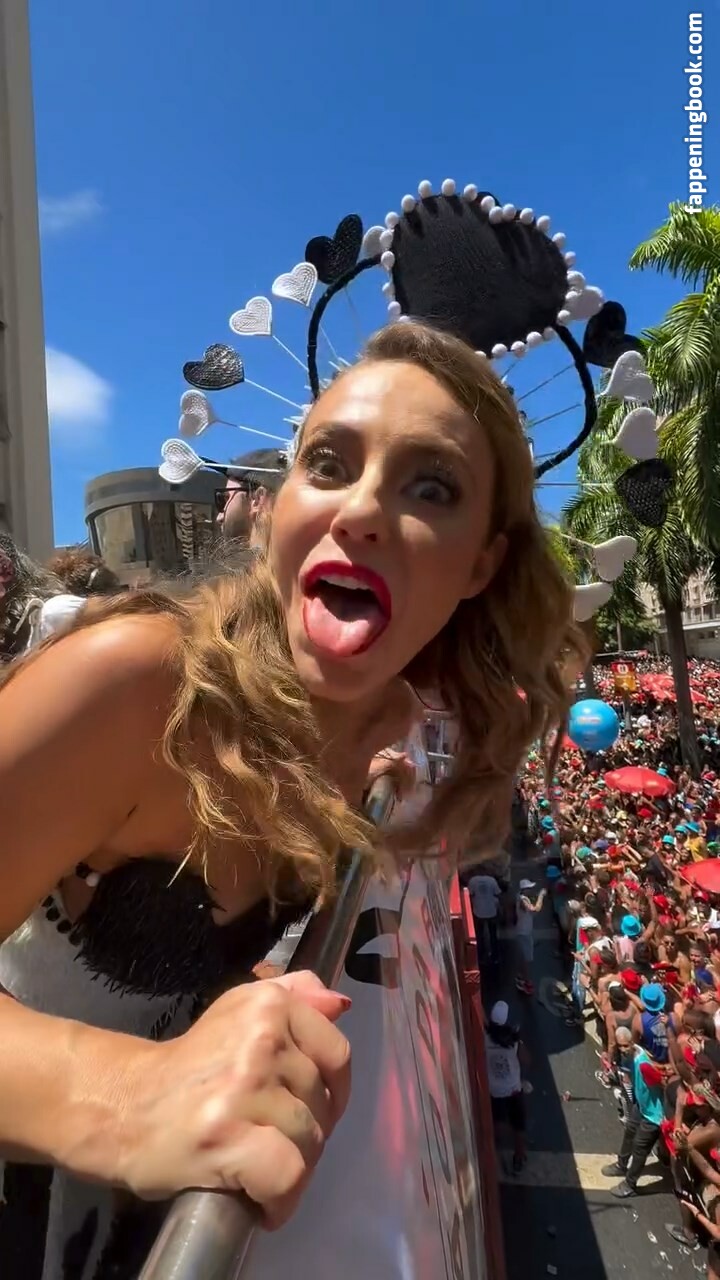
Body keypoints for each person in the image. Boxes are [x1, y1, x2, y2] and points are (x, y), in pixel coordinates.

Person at [0, 319, 583, 1276]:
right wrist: (127, 1093)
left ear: (481, 563)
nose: (362, 509)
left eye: (430, 486)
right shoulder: (138, 683)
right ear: (276, 512)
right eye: (329, 464)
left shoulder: (383, 736)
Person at [603, 1039, 667, 1198]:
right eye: (620, 1046)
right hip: (642, 1106)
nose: (623, 1049)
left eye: (625, 1045)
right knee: (630, 1131)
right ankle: (621, 1165)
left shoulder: (644, 1065)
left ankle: (630, 1185)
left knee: (640, 1147)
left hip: (654, 1114)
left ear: (632, 1043)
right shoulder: (628, 1058)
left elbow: (662, 1084)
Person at [485, 1000, 529, 1174]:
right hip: (513, 1090)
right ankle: (519, 1156)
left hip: (494, 1090)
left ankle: (495, 1152)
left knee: (497, 1121)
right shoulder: (513, 1042)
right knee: (518, 1124)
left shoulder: (484, 1038)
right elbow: (527, 1060)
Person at [514, 879, 546, 995]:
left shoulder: (521, 898)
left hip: (525, 932)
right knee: (527, 959)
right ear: (525, 890)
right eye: (529, 888)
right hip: (524, 933)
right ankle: (526, 982)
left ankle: (520, 978)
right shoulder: (523, 899)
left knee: (524, 958)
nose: (531, 890)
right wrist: (541, 896)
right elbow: (535, 909)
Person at [468, 869, 502, 965]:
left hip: (478, 911)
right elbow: (498, 894)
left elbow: (470, 895)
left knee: (479, 935)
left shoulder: (473, 880)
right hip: (491, 911)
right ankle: (495, 956)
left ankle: (481, 956)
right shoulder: (491, 880)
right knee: (493, 934)